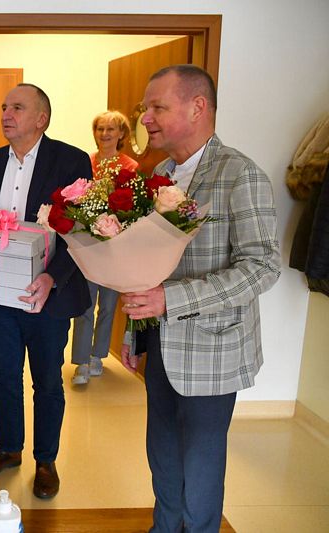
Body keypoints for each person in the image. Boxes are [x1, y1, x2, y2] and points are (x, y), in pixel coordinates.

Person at [121, 65, 280, 532]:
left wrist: (170, 300)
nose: (145, 118)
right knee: (162, 455)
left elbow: (262, 266)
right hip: (160, 346)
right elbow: (146, 265)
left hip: (213, 350)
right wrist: (136, 331)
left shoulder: (240, 175)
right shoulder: (160, 175)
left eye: (158, 107)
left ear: (197, 107)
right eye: (145, 108)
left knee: (201, 467)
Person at [0, 83, 91, 499]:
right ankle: (9, 449)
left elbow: (84, 230)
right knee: (3, 376)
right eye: (4, 107)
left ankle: (46, 460)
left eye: (17, 107)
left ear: (41, 118)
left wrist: (52, 277)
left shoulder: (71, 160)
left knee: (47, 381)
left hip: (48, 295)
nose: (6, 114)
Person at [71, 110, 138, 385]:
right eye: (100, 128)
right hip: (88, 245)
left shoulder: (130, 166)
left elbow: (133, 207)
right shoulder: (85, 162)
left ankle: (98, 355)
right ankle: (81, 361)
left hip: (115, 247)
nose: (105, 134)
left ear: (121, 134)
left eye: (111, 129)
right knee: (85, 304)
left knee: (108, 305)